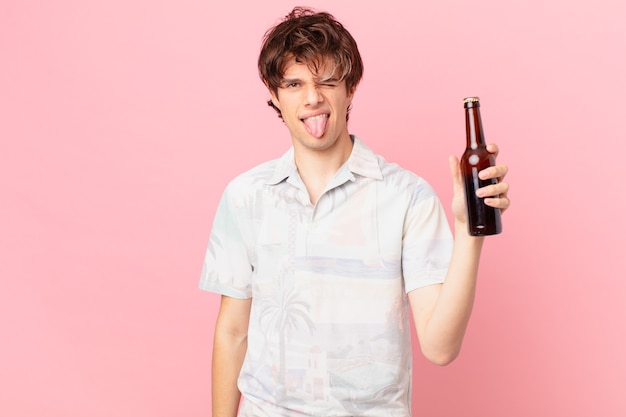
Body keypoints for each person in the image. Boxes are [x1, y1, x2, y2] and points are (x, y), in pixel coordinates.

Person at [200, 6, 510, 417]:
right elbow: (233, 331)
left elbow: (440, 347)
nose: (312, 98)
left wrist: (468, 233)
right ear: (274, 95)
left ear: (351, 88)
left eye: (327, 80)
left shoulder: (408, 196)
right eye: (294, 84)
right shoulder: (244, 196)